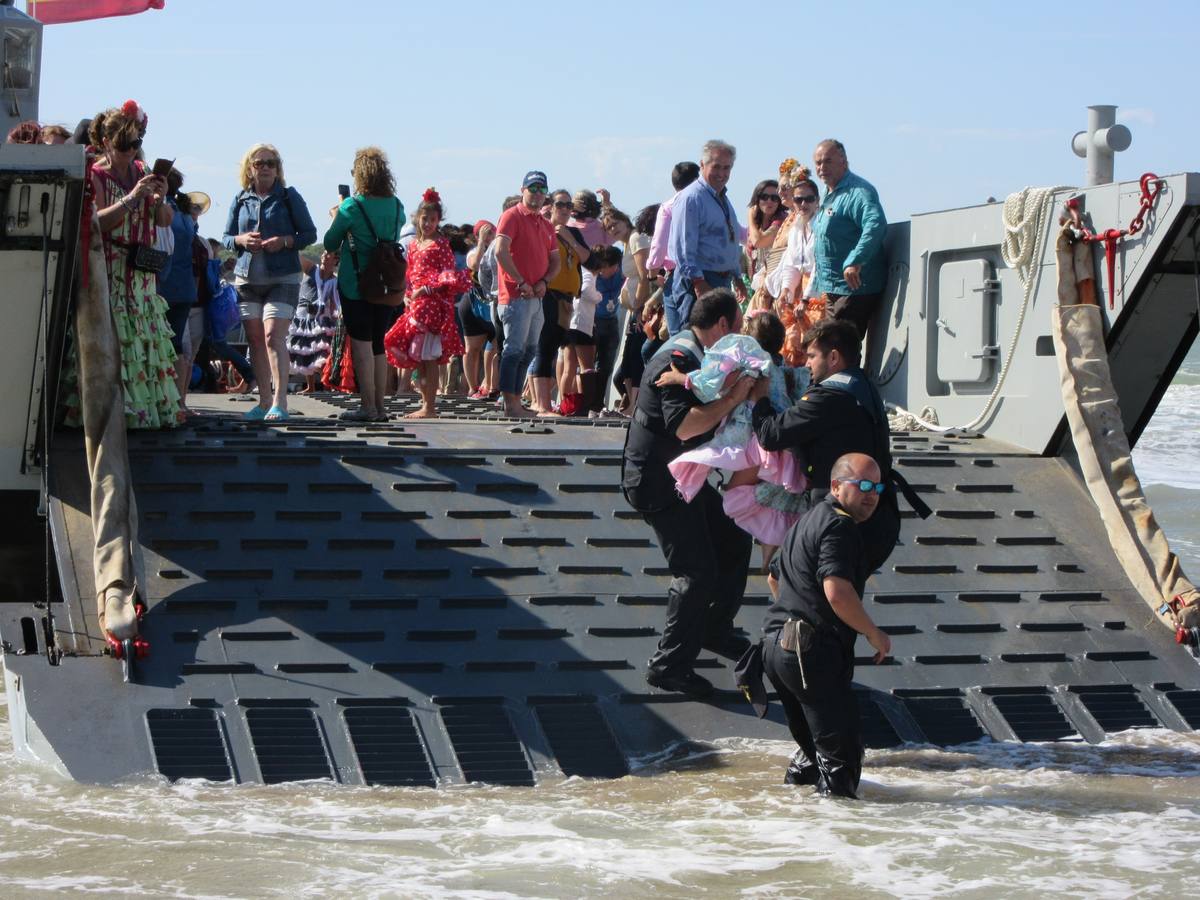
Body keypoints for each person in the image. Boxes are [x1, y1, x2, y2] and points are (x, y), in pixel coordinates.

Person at [621, 288, 756, 697]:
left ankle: (714, 629)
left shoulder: (700, 358)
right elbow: (684, 426)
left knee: (733, 535)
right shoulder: (676, 359)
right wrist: (735, 396)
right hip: (656, 481)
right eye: (738, 328)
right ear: (720, 327)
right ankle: (669, 666)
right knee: (696, 572)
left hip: (682, 478)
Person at [757, 451, 892, 798]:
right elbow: (837, 592)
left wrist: (796, 612)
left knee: (813, 753)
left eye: (877, 487)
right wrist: (874, 633)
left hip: (776, 648)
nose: (871, 494)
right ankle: (840, 843)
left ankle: (791, 823)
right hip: (807, 652)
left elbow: (774, 577)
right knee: (841, 758)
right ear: (835, 485)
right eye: (862, 484)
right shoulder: (840, 524)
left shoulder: (808, 519)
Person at [62, 100, 182, 430]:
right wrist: (131, 200)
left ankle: (143, 415)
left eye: (136, 144)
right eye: (124, 145)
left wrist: (159, 199)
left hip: (141, 273)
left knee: (143, 342)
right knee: (111, 340)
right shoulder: (96, 175)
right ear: (105, 143)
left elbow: (164, 221)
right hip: (110, 269)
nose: (131, 151)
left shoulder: (143, 173)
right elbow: (95, 222)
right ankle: (108, 414)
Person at [750, 318, 900, 573]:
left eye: (811, 356)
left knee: (807, 587)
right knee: (788, 577)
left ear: (833, 358)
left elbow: (771, 435)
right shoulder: (863, 387)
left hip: (838, 519)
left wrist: (760, 398)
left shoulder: (828, 397)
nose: (806, 363)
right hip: (874, 516)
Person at [223, 142, 317, 422]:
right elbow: (227, 237)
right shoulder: (240, 198)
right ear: (249, 169)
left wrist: (286, 241)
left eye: (270, 163)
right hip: (247, 277)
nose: (265, 167)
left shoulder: (289, 197)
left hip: (283, 277)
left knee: (272, 336)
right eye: (259, 163)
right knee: (255, 340)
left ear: (278, 169)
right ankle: (264, 401)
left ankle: (280, 401)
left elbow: (309, 233)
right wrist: (241, 240)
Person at [322, 146, 404, 422]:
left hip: (356, 284)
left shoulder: (351, 207)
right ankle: (380, 407)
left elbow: (331, 242)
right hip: (386, 285)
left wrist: (337, 218)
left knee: (361, 345)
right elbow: (397, 227)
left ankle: (368, 406)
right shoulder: (396, 204)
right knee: (379, 344)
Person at [383, 188, 470, 418]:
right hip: (415, 305)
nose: (428, 223)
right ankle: (425, 402)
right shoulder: (413, 246)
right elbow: (409, 274)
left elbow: (447, 276)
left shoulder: (440, 244)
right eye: (425, 219)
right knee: (418, 357)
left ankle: (429, 406)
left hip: (432, 307)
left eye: (433, 219)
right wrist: (407, 294)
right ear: (417, 219)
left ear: (438, 221)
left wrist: (426, 289)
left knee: (428, 357)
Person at [493, 171, 560, 418]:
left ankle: (515, 402)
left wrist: (544, 281)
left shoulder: (546, 224)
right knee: (513, 349)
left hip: (536, 296)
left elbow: (555, 261)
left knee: (529, 350)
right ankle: (510, 403)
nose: (538, 194)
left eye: (542, 190)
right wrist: (521, 281)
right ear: (523, 189)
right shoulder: (511, 216)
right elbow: (501, 251)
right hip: (515, 295)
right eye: (533, 188)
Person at [665, 140, 748, 335]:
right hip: (699, 280)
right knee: (695, 340)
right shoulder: (691, 198)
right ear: (702, 165)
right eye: (716, 166)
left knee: (716, 343)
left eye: (727, 167)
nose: (722, 173)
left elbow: (730, 238)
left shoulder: (721, 197)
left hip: (721, 280)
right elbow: (683, 247)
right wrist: (698, 283)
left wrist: (737, 276)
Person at [810, 139, 887, 340]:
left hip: (853, 289)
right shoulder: (830, 193)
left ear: (843, 161)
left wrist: (855, 259)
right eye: (818, 163)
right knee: (829, 346)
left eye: (827, 161)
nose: (821, 167)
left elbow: (875, 224)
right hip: (833, 287)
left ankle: (850, 373)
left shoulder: (858, 192)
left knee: (839, 348)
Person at [531, 189, 589, 415]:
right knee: (543, 348)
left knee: (554, 348)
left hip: (566, 298)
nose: (565, 209)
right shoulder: (542, 229)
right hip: (548, 293)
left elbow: (588, 259)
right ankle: (541, 403)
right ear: (551, 206)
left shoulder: (572, 232)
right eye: (560, 205)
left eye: (568, 205)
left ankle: (543, 402)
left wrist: (570, 238)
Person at [768, 168, 826, 365]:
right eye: (799, 199)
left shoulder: (821, 227)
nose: (803, 204)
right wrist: (786, 290)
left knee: (814, 339)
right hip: (800, 287)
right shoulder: (795, 228)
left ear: (817, 200)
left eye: (809, 199)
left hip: (818, 289)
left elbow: (820, 266)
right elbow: (792, 263)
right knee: (791, 339)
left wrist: (807, 299)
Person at [287, 251, 340, 391]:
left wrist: (336, 317)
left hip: (322, 320)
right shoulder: (312, 269)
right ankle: (310, 386)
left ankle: (329, 386)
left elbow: (335, 304)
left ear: (336, 260)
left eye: (329, 255)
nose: (324, 256)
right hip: (303, 318)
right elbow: (296, 257)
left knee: (321, 355)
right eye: (323, 253)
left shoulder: (335, 281)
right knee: (305, 351)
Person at [460, 220, 498, 399]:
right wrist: (482, 243)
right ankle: (472, 386)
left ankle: (491, 385)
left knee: (496, 346)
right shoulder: (473, 252)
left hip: (494, 302)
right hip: (475, 303)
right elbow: (474, 265)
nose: (490, 237)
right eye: (486, 233)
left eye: (492, 233)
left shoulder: (498, 251)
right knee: (472, 349)